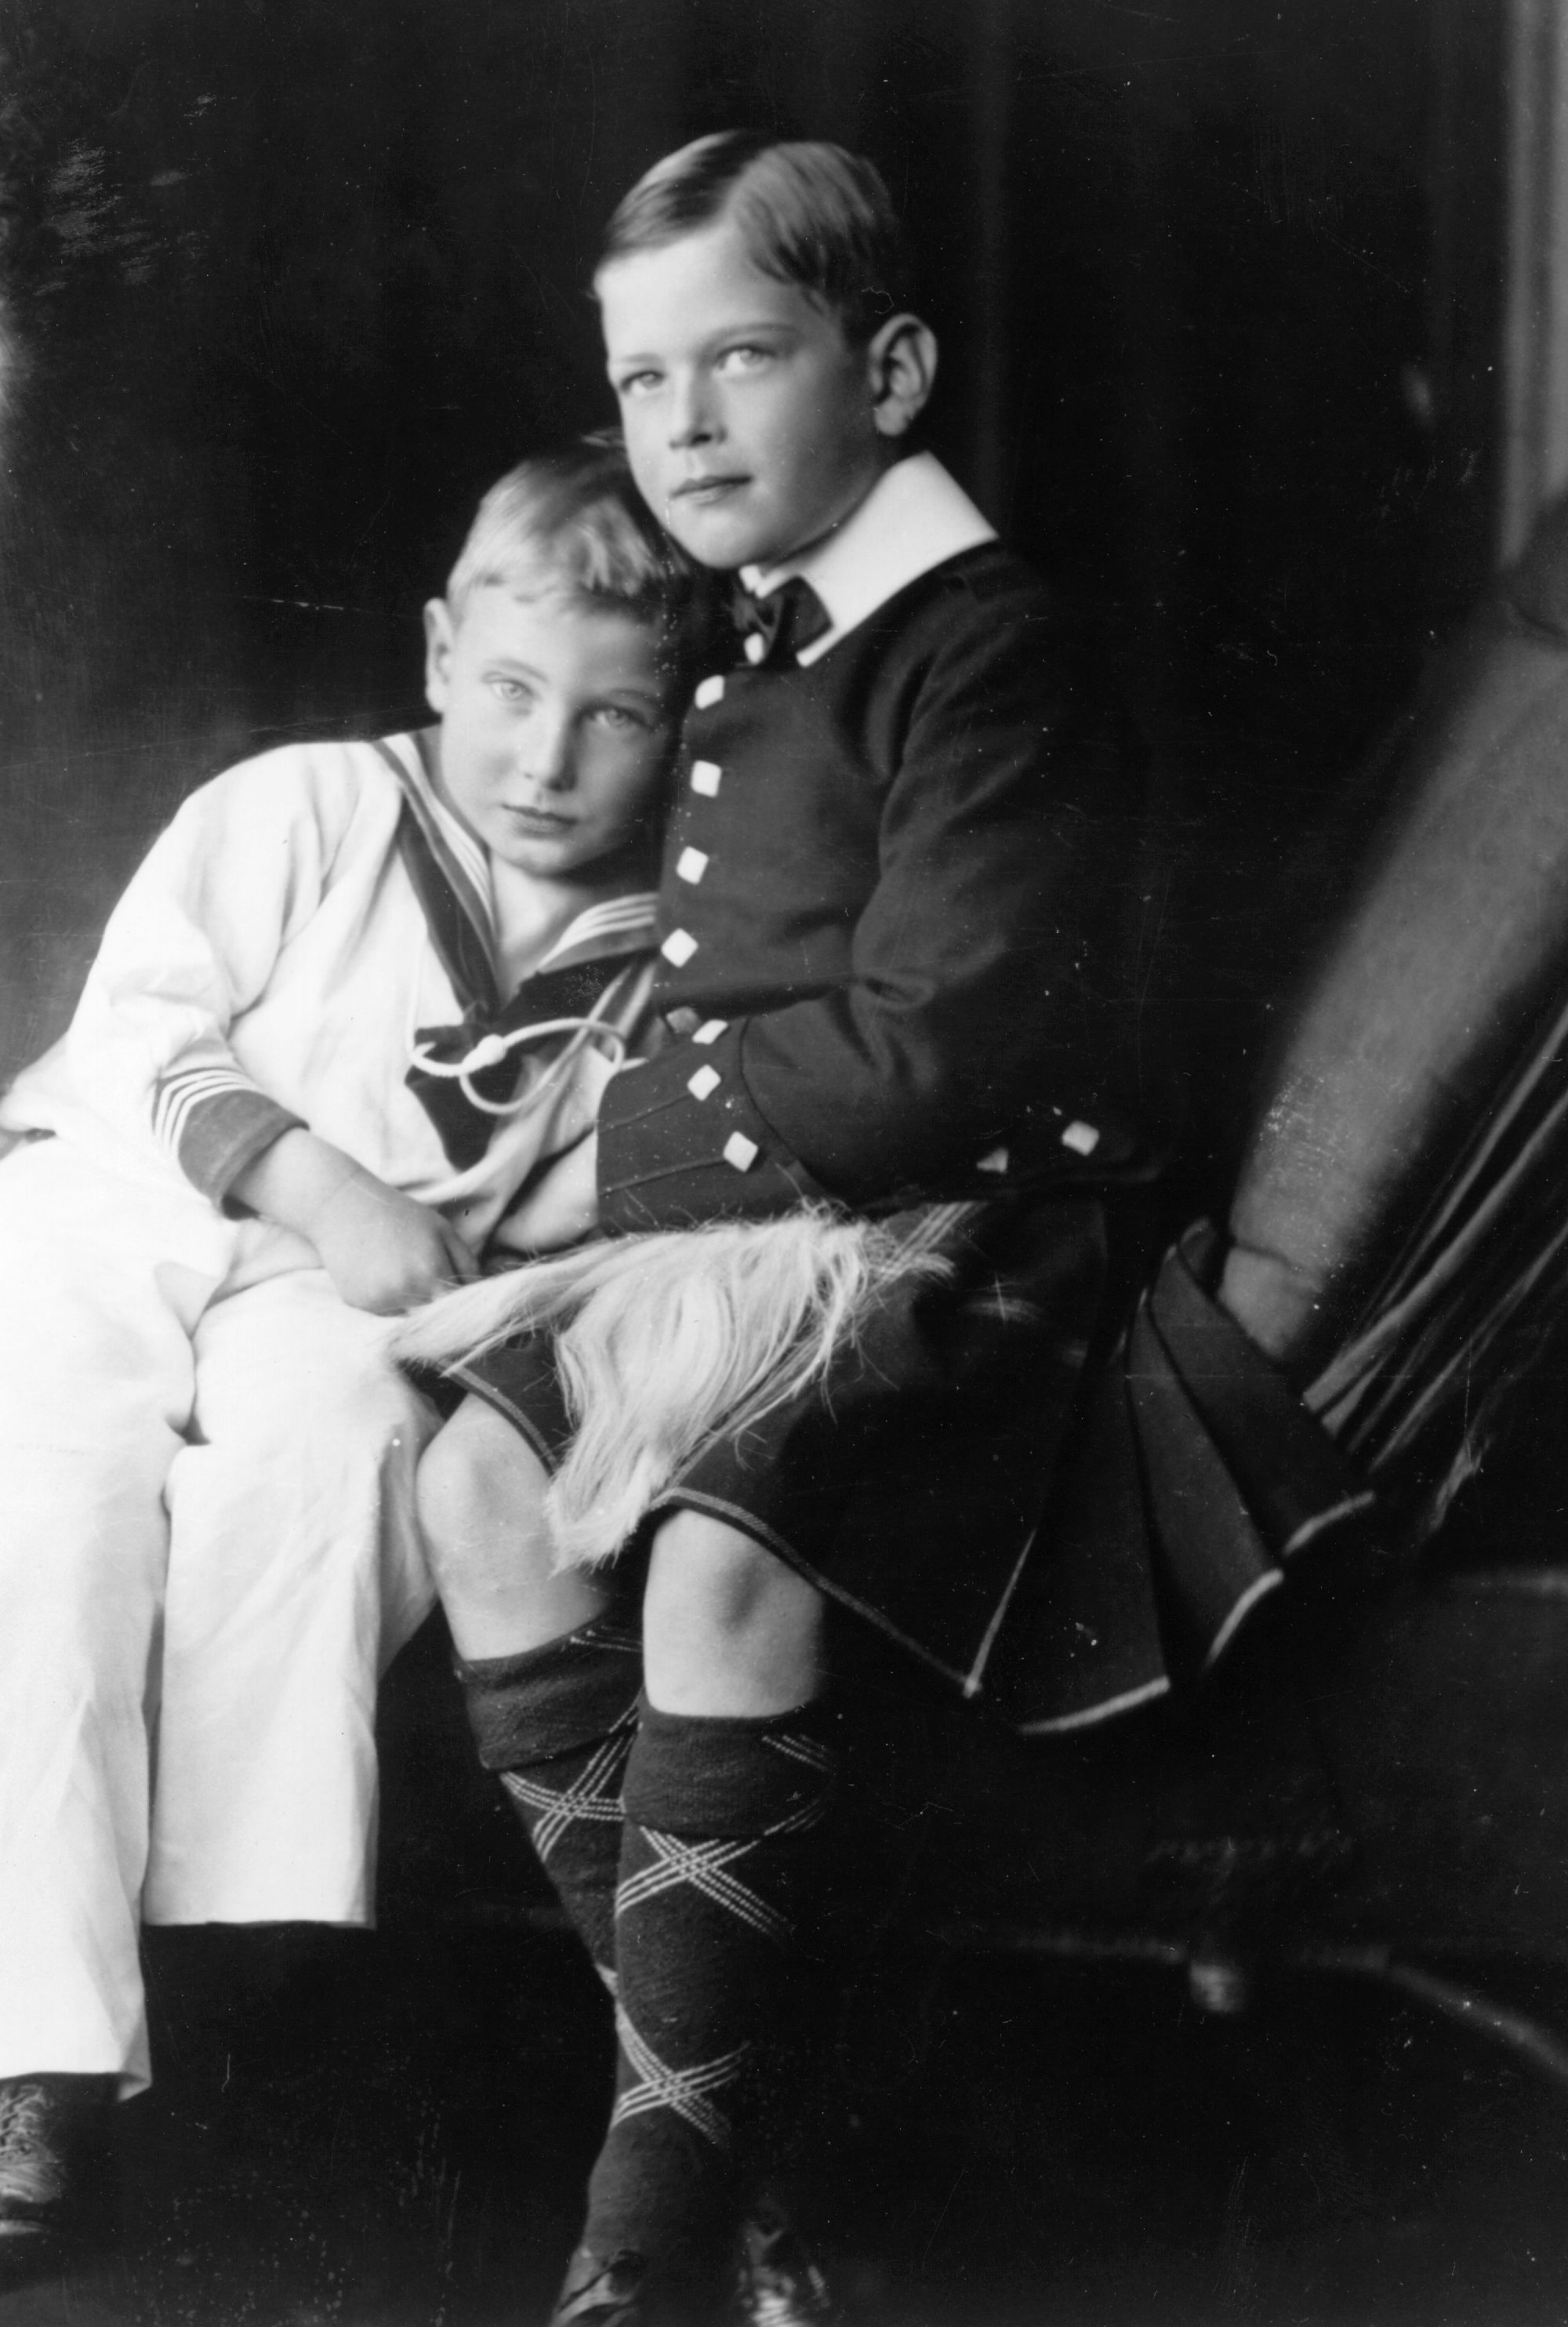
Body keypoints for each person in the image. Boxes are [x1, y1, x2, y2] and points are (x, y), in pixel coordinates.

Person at [401, 132, 1154, 2327]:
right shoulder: (765, 633)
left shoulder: (985, 643)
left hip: (952, 1239)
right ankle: (751, 2142)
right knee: (477, 1481)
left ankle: (643, 2247)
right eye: (642, 382)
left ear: (892, 364)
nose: (685, 426)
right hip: (759, 1230)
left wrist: (600, 1149)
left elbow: (927, 1057)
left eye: (742, 357)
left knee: (730, 1548)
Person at [0, 444, 691, 2263]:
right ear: (443, 651)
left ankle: (218, 1977)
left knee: (324, 1463)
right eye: (517, 695)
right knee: (53, 1511)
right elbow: (142, 1016)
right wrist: (301, 1170)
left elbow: (565, 1198)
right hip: (131, 1196)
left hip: (361, 1282)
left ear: (681, 719)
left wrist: (451, 1271)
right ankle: (35, 2054)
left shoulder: (645, 955)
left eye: (614, 717)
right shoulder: (313, 804)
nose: (547, 762)